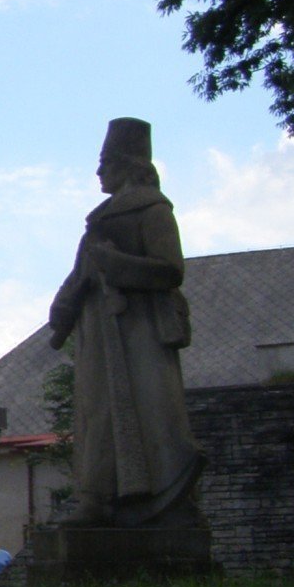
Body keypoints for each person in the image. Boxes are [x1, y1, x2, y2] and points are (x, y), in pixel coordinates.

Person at [47, 117, 204, 528]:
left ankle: (166, 496)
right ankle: (97, 497)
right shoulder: (99, 219)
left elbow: (170, 269)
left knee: (153, 411)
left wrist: (117, 265)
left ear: (128, 165)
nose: (98, 172)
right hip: (98, 331)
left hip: (140, 332)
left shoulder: (152, 210)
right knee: (97, 412)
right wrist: (62, 307)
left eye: (106, 162)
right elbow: (80, 271)